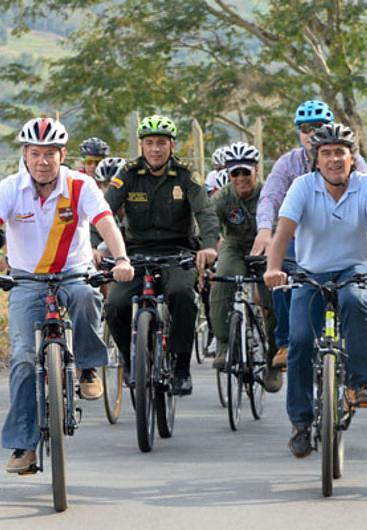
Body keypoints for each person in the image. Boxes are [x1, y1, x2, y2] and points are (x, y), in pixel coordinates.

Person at [2, 118, 134, 474]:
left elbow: (106, 223)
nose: (42, 161)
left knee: (86, 296)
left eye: (50, 154)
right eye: (35, 154)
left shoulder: (80, 185)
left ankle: (89, 367)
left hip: (74, 273)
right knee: (24, 361)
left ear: (62, 155)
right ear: (25, 156)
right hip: (26, 281)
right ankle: (24, 446)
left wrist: (120, 259)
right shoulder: (10, 189)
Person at [264, 122, 367, 457]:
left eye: (341, 152)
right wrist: (274, 268)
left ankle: (361, 383)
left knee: (354, 301)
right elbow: (282, 233)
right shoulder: (302, 187)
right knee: (301, 342)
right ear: (316, 159)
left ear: (352, 158)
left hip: (355, 267)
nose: (334, 159)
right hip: (311, 272)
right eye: (326, 153)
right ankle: (301, 423)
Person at [104, 115, 219, 396]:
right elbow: (103, 212)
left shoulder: (185, 174)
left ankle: (180, 365)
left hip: (177, 252)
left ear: (172, 145)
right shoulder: (127, 174)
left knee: (182, 295)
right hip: (134, 253)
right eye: (150, 143)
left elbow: (205, 212)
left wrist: (208, 246)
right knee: (115, 304)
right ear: (141, 145)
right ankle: (130, 360)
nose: (156, 149)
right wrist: (97, 248)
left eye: (162, 143)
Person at [252, 100, 367, 370]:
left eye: (318, 126)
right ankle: (285, 342)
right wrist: (265, 230)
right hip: (300, 237)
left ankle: (361, 351)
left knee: (359, 291)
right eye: (305, 128)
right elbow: (270, 197)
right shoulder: (288, 163)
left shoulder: (350, 160)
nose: (311, 133)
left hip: (344, 237)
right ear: (298, 132)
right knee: (279, 270)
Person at [207, 141, 283, 391]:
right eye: (235, 173)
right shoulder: (222, 198)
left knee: (275, 297)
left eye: (245, 172)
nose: (241, 178)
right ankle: (224, 343)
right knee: (223, 281)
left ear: (257, 170)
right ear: (228, 175)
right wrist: (205, 255)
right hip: (235, 246)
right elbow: (208, 227)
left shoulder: (271, 194)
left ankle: (274, 360)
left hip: (267, 246)